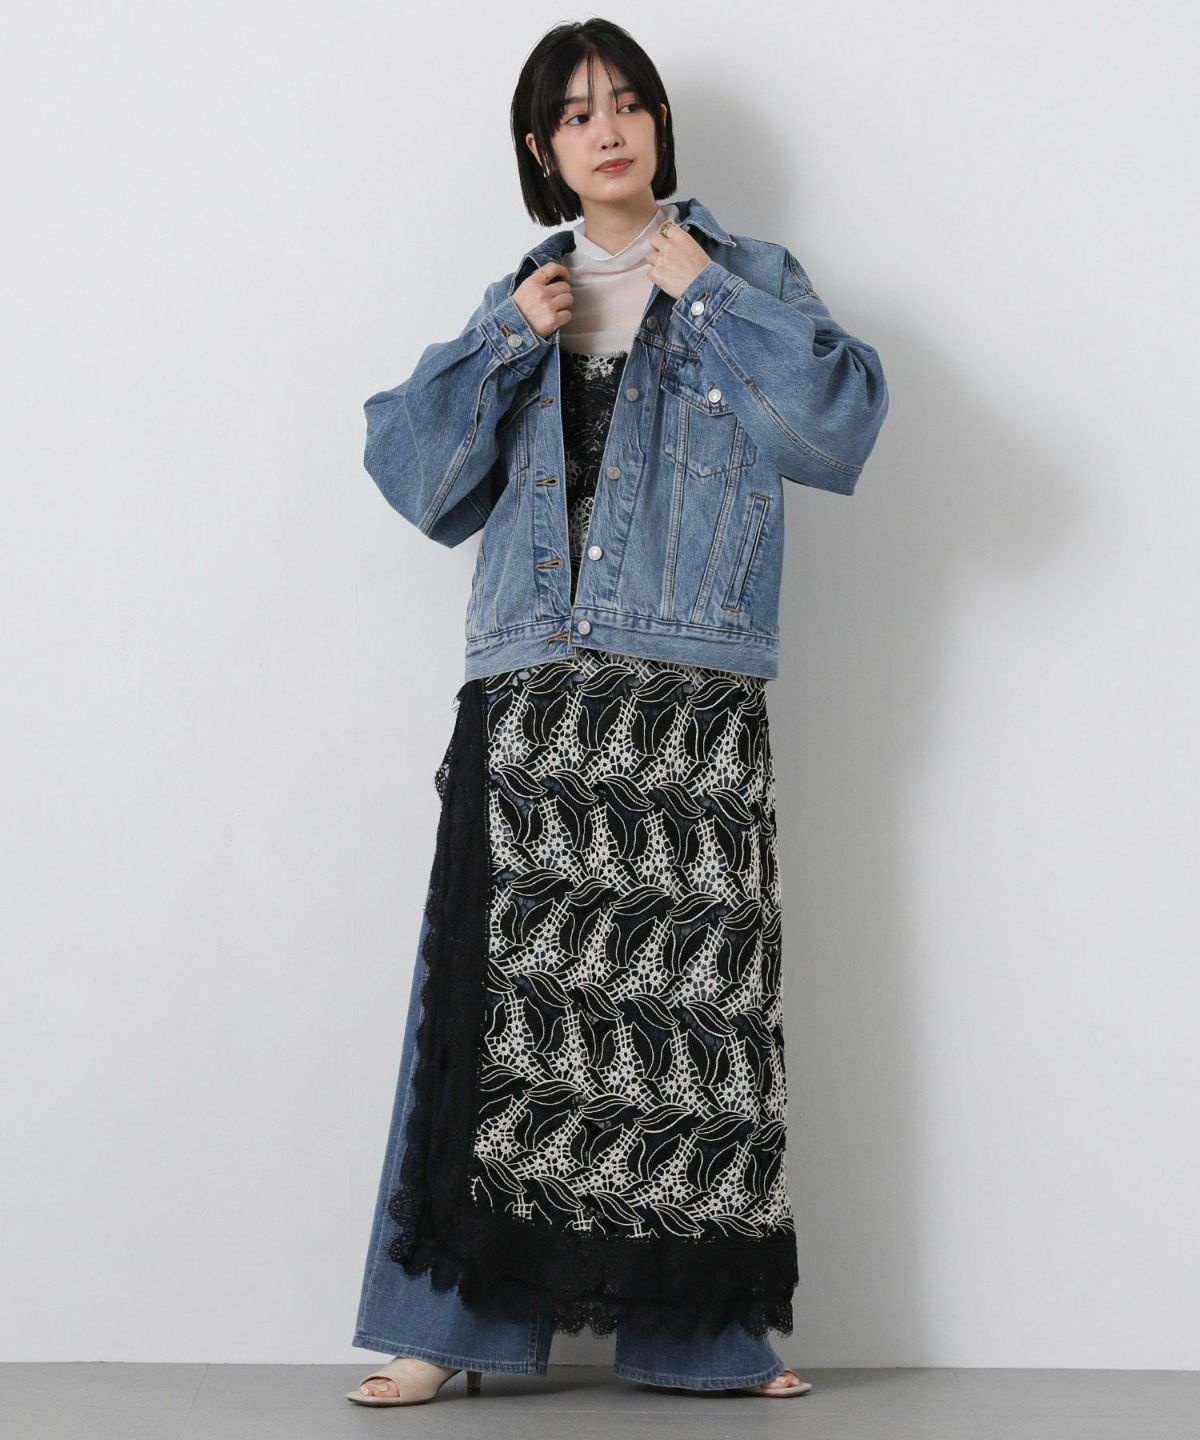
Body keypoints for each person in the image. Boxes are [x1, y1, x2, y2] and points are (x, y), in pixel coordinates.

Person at [347, 17, 889, 1409]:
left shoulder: (747, 276)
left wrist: (705, 294)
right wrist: (502, 342)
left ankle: (702, 1339)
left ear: (656, 128)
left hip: (687, 695)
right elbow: (413, 478)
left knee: (692, 1023)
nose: (610, 128)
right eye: (579, 112)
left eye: (630, 103)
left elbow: (837, 425)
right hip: (534, 685)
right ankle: (447, 1332)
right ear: (543, 149)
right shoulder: (518, 296)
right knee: (489, 1024)